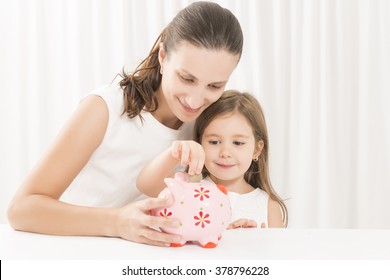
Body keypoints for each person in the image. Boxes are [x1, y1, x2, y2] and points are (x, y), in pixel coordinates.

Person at [7, 1, 243, 247]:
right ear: (163, 57)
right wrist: (117, 222)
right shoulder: (104, 109)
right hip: (73, 253)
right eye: (186, 78)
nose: (195, 100)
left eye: (215, 86)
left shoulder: (210, 125)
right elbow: (22, 209)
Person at [137, 90, 288, 228]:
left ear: (257, 149)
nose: (225, 153)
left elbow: (277, 255)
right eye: (214, 142)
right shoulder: (191, 186)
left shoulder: (268, 205)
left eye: (238, 143)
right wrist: (174, 153)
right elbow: (145, 184)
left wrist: (260, 244)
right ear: (200, 142)